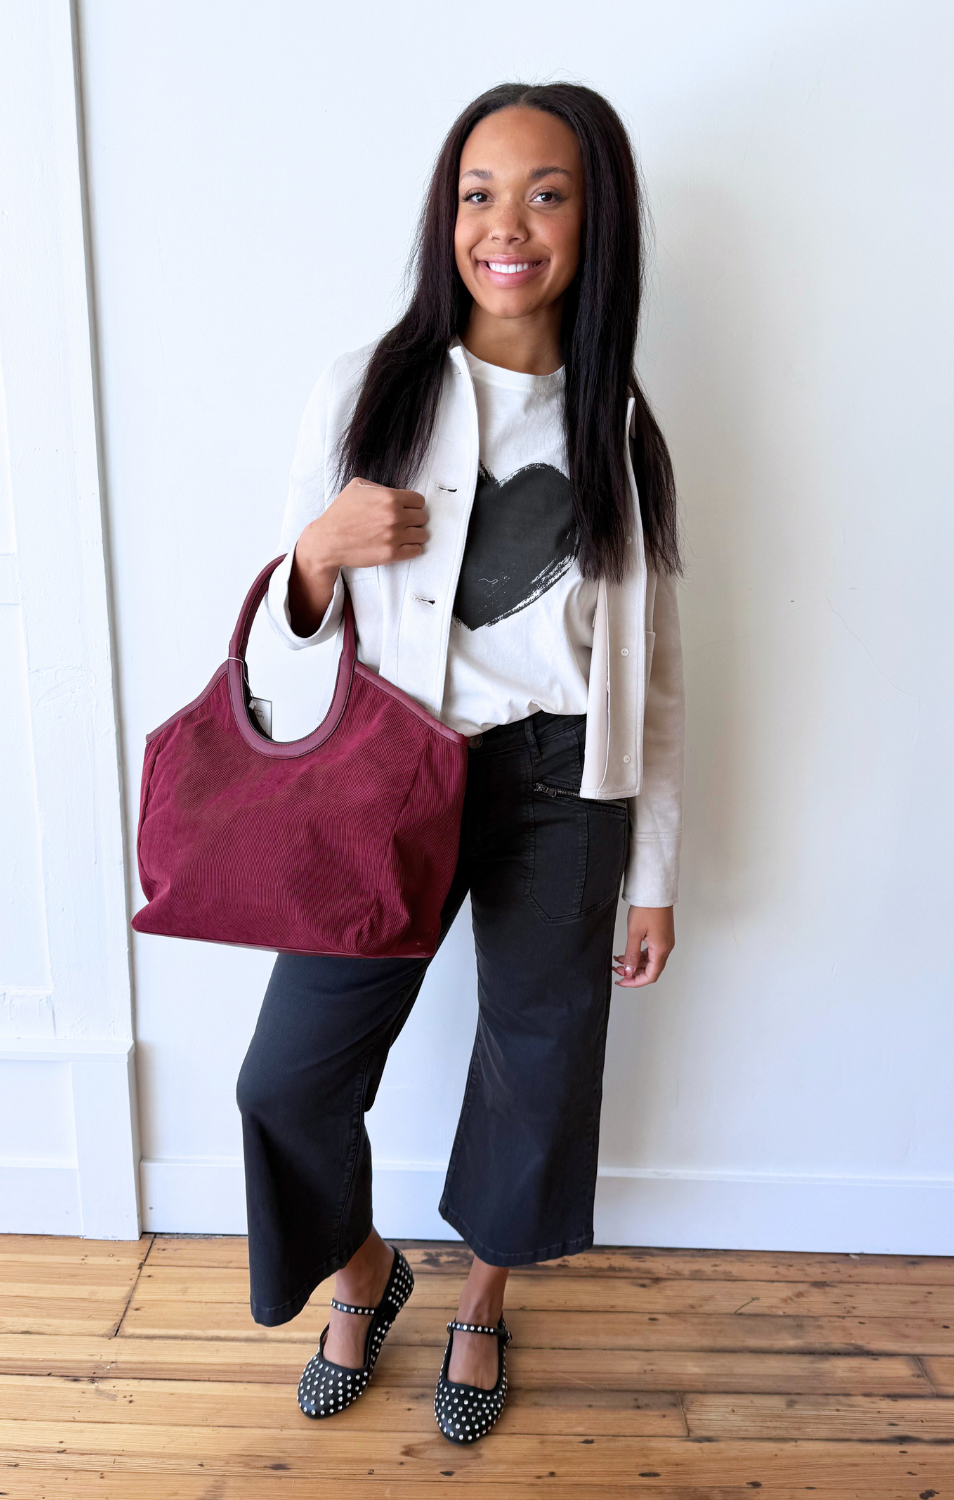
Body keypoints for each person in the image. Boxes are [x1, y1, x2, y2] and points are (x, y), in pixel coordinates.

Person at [236, 80, 684, 1446]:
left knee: (536, 1070)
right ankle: (365, 1272)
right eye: (479, 194)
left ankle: (483, 1301)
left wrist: (654, 873)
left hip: (563, 785)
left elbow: (655, 671)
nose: (508, 226)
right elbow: (291, 642)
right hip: (390, 768)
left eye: (547, 194)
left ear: (594, 222)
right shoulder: (367, 387)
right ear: (447, 218)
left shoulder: (618, 427)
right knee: (287, 1080)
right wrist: (315, 554)